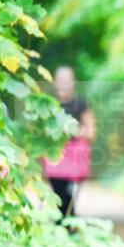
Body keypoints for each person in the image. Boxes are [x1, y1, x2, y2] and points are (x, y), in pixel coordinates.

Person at [43, 66, 96, 219]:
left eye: (67, 80)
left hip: (74, 160)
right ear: (55, 82)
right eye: (61, 80)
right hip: (55, 159)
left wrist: (72, 131)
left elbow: (91, 132)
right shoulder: (49, 104)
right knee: (60, 196)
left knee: (68, 197)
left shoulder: (81, 103)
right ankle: (68, 225)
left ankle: (67, 224)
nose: (64, 84)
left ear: (73, 82)